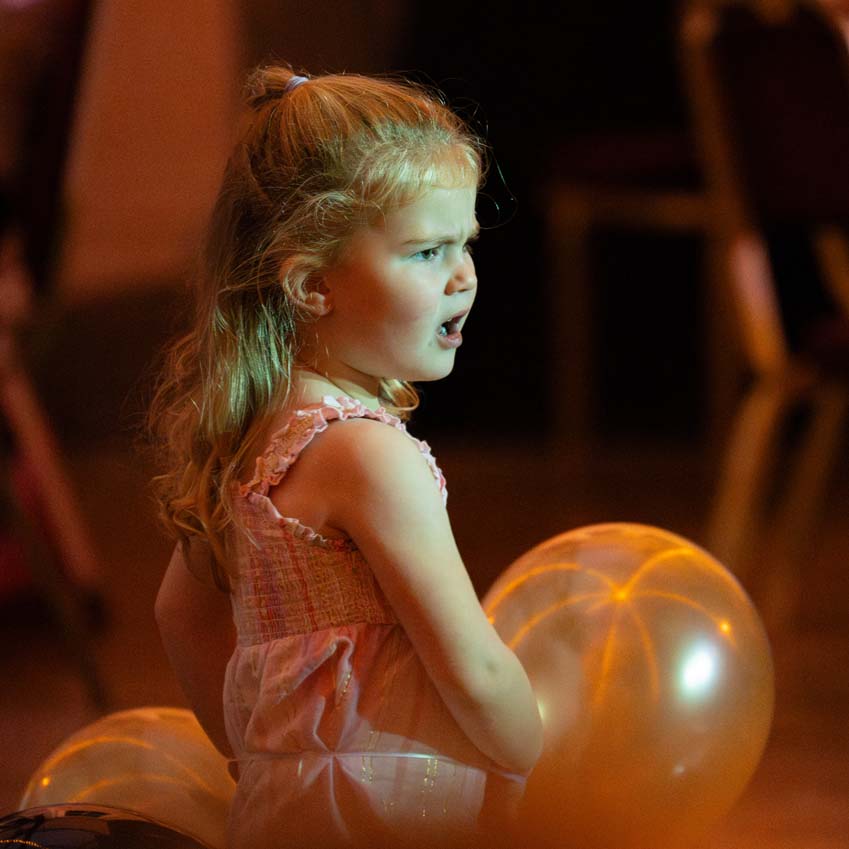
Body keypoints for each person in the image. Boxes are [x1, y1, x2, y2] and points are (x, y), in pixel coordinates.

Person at [150, 65, 543, 849]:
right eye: (427, 251)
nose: (463, 274)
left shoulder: (252, 441)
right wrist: (534, 748)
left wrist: (256, 758)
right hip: (395, 814)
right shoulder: (369, 457)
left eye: (465, 241)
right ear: (313, 283)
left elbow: (179, 613)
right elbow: (473, 668)